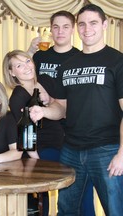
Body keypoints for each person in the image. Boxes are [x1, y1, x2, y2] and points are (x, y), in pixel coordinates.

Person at [30, 4, 123, 216]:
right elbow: (61, 108)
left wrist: (122, 153)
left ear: (105, 25)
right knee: (66, 210)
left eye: (93, 23)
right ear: (77, 28)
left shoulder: (117, 61)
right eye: (82, 24)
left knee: (116, 210)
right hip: (71, 149)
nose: (87, 29)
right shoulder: (68, 65)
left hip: (107, 150)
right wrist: (44, 112)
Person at [28, 11, 95, 216]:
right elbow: (22, 78)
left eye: (66, 27)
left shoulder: (79, 56)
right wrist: (29, 52)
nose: (60, 31)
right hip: (45, 129)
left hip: (74, 130)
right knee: (45, 187)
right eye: (56, 27)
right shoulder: (40, 55)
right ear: (50, 29)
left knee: (81, 189)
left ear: (73, 29)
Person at [3, 49, 64, 215]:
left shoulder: (46, 80)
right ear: (11, 72)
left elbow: (63, 109)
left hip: (62, 141)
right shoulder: (17, 97)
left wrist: (50, 102)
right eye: (19, 65)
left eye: (28, 61)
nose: (26, 67)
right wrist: (36, 157)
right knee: (46, 194)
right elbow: (23, 132)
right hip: (42, 149)